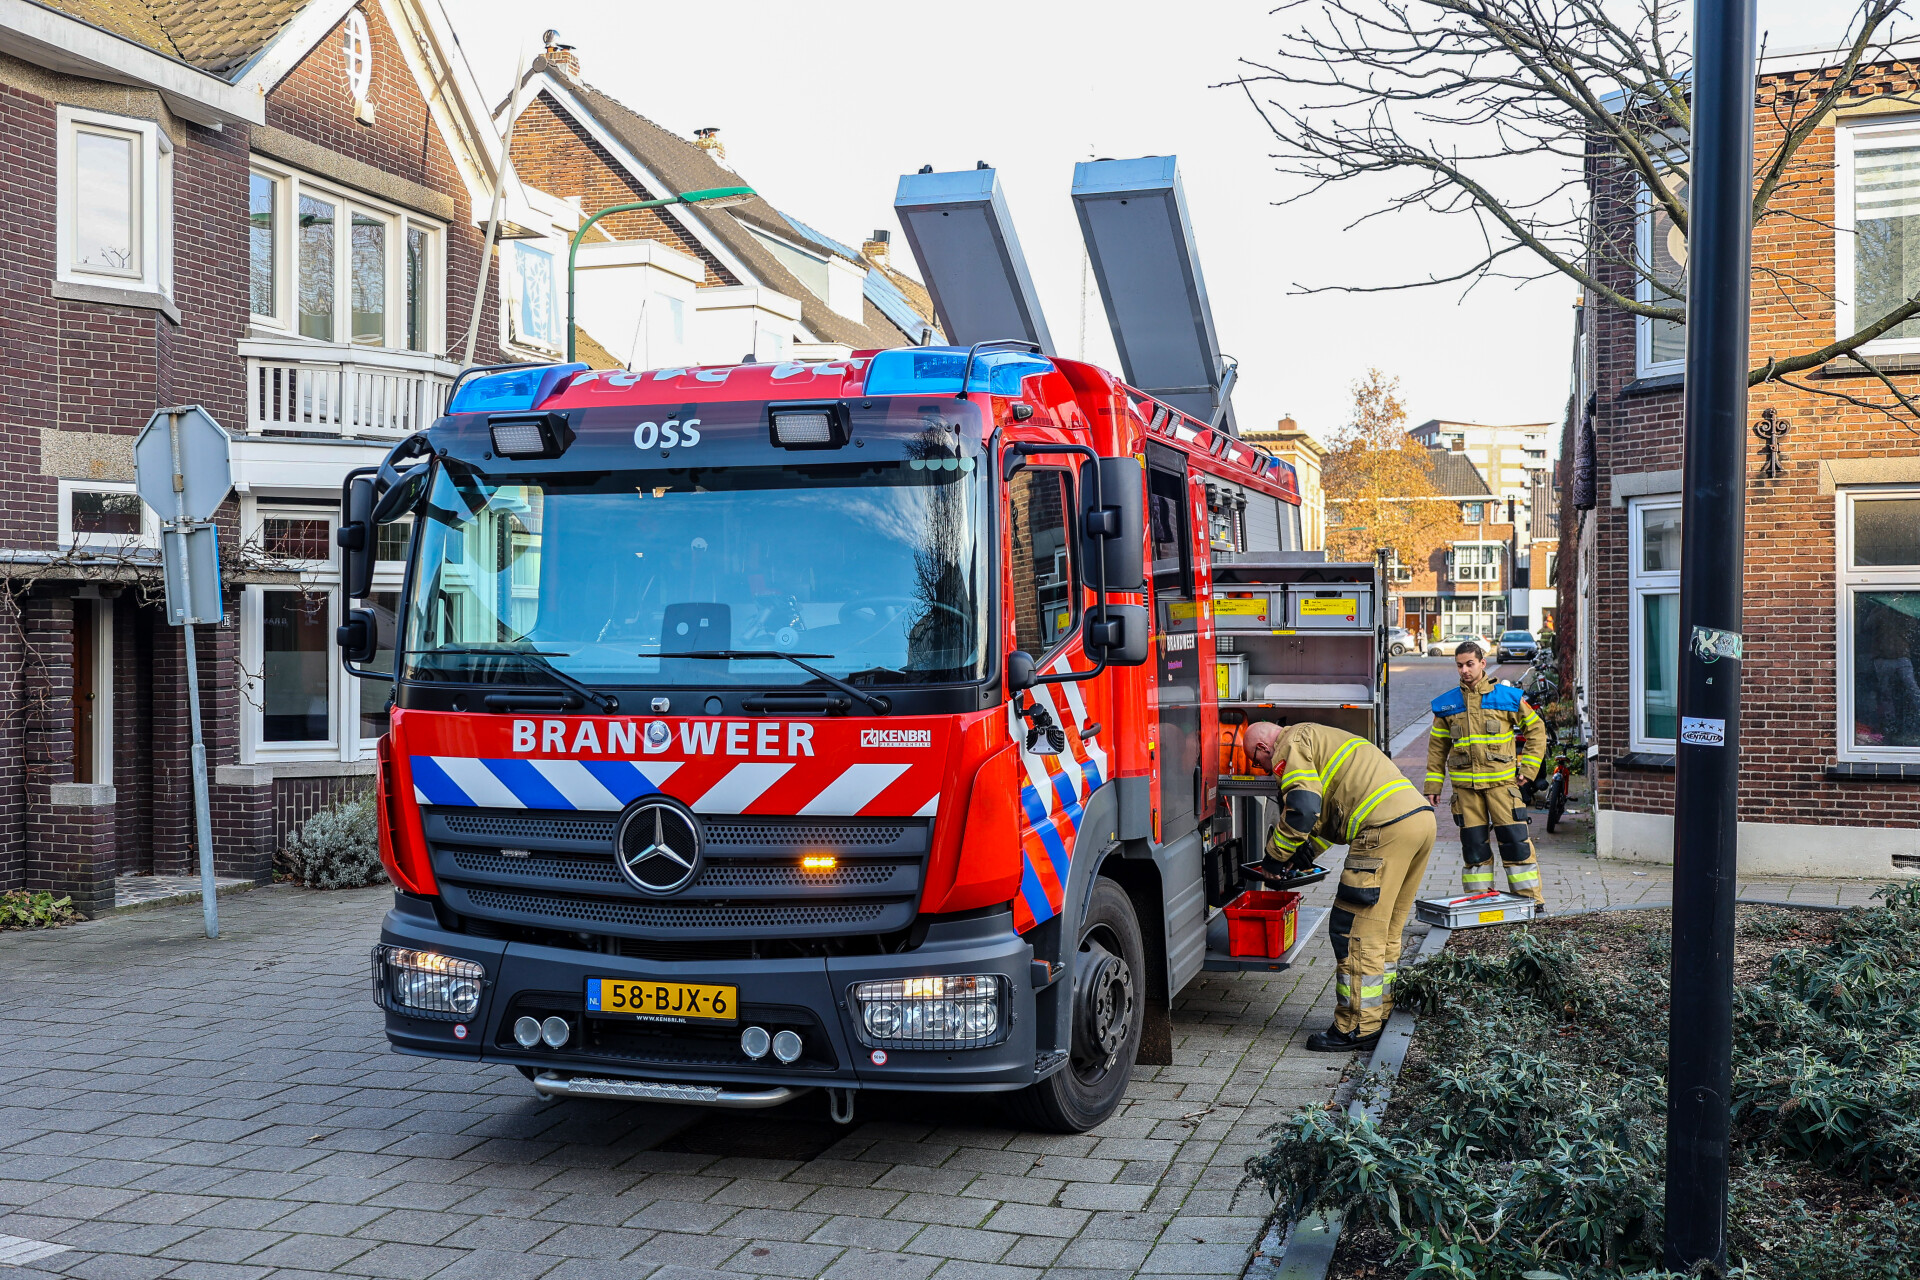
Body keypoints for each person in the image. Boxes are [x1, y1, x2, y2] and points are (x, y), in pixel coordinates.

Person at [1244, 720, 1436, 1053]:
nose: (1262, 770)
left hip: (1383, 830)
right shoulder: (1316, 736)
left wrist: (1274, 860)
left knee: (1353, 931)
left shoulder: (1288, 745)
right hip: (1418, 822)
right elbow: (1327, 811)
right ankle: (1379, 1011)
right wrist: (1303, 853)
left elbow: (1302, 807)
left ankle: (1357, 1027)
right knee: (1385, 932)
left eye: (1256, 762)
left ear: (1263, 748)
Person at [1425, 641, 1549, 908]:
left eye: (1470, 664)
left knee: (1516, 845)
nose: (1465, 670)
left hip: (1503, 787)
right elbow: (1437, 748)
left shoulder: (1508, 698)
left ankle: (1530, 902)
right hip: (1465, 792)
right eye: (1459, 665)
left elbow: (1537, 732)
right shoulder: (1447, 705)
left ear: (1483, 663)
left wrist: (1527, 770)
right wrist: (1432, 785)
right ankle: (1478, 903)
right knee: (1474, 851)